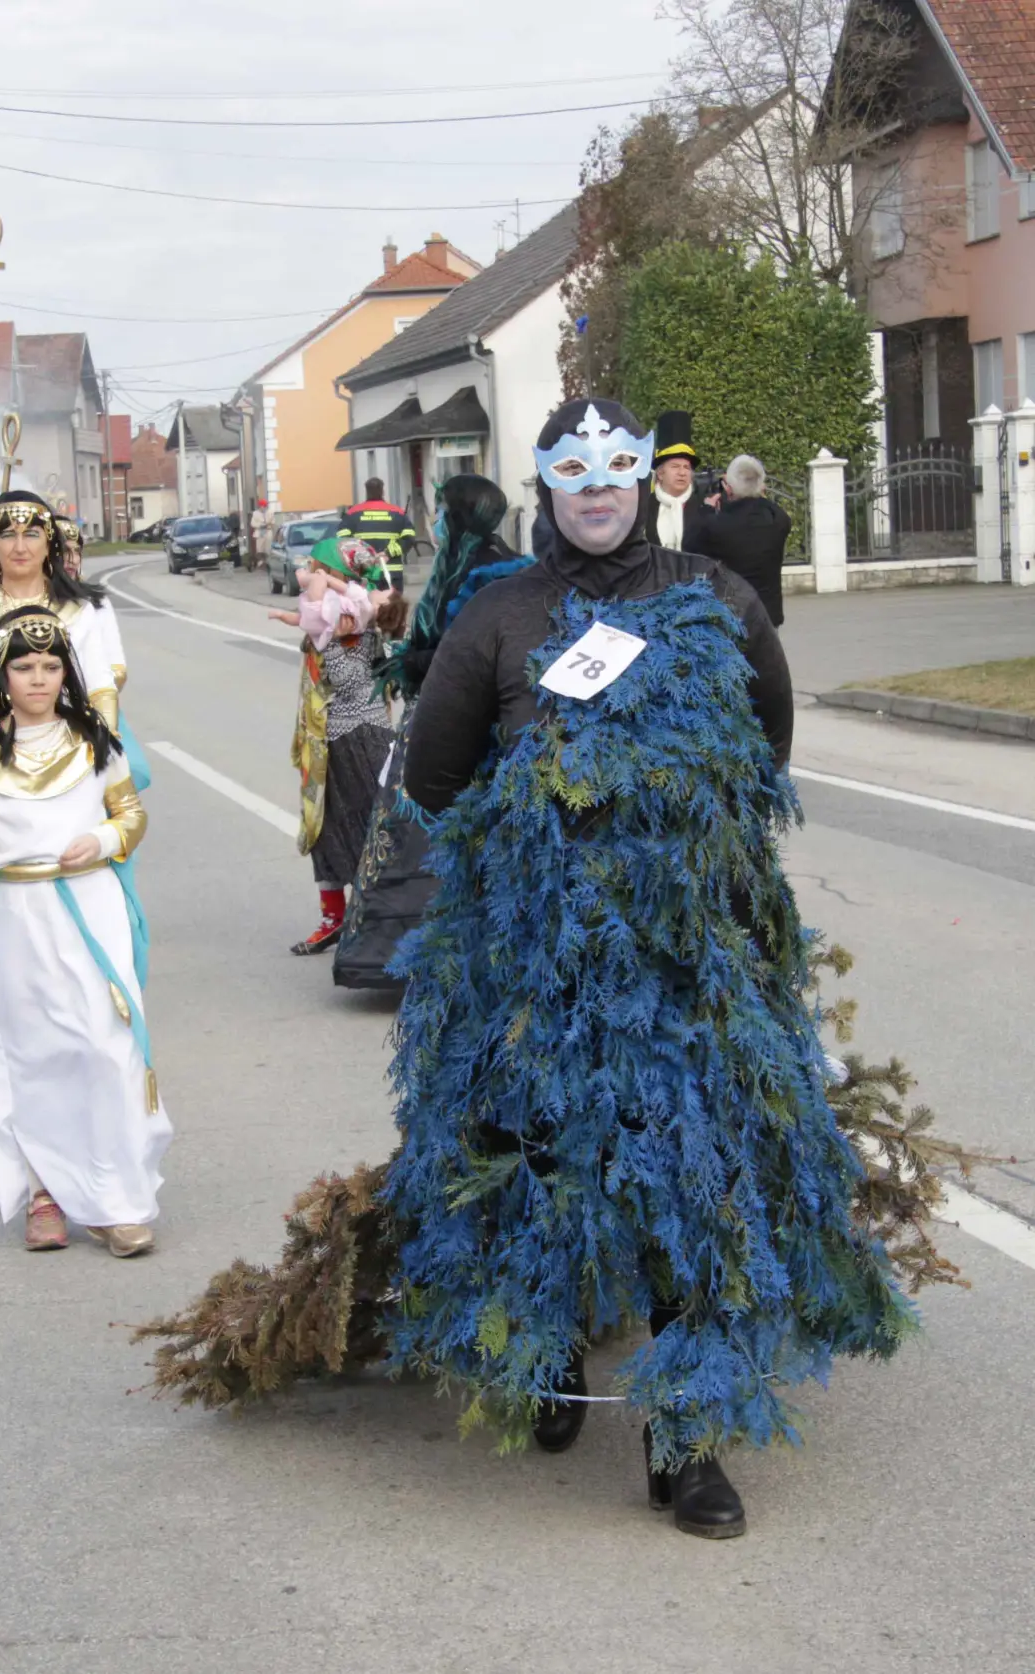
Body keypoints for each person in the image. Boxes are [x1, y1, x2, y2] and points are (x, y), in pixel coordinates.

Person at [384, 397, 910, 1536]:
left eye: (616, 469)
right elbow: (433, 776)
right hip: (539, 961)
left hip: (693, 958)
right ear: (547, 484)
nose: (597, 488)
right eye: (574, 471)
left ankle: (688, 1440)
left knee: (694, 1177)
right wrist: (540, 844)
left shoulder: (713, 599)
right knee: (544, 1158)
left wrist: (675, 851)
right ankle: (555, 1348)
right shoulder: (500, 617)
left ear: (647, 482)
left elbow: (766, 751)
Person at [0, 604, 170, 1257]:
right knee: (31, 1055)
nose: (38, 678)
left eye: (50, 666)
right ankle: (44, 1194)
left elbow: (130, 817)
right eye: (23, 666)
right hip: (12, 917)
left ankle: (115, 1199)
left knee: (105, 1047)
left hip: (87, 905)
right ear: (2, 673)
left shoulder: (96, 740)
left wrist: (101, 840)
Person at [332, 474, 523, 989]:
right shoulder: (463, 564)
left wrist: (412, 661)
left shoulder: (488, 572)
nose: (433, 521)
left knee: (433, 829)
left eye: (440, 511)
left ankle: (431, 955)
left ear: (459, 516)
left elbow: (467, 654)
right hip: (439, 712)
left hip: (463, 724)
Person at [279, 537, 401, 956]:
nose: (310, 571)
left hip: (360, 740)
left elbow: (351, 683)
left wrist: (328, 640)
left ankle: (377, 918)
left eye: (318, 567)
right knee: (324, 829)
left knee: (371, 833)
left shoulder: (350, 627)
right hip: (327, 741)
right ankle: (333, 918)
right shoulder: (338, 622)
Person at [0, 491, 123, 732]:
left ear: (49, 545)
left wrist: (107, 742)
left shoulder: (77, 609)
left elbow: (100, 687)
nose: (19, 547)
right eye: (7, 535)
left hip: (70, 745)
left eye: (31, 535)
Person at [690, 454, 792, 627]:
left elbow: (691, 544)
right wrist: (755, 490)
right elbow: (771, 507)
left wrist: (706, 509)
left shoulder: (716, 526)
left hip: (732, 616)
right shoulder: (779, 520)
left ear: (728, 488)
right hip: (768, 615)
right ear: (762, 488)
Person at [643, 409, 714, 553]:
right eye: (675, 467)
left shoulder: (703, 506)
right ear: (661, 473)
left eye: (686, 467)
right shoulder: (644, 507)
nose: (682, 473)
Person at [338, 477, 417, 593]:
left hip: (364, 573)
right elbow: (409, 539)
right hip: (391, 572)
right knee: (393, 609)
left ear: (366, 491)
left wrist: (364, 556)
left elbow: (342, 541)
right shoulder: (397, 513)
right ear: (383, 491)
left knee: (367, 609)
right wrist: (387, 554)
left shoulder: (352, 514)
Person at [249, 499, 272, 567]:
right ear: (259, 506)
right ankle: (260, 561)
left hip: (268, 531)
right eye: (262, 506)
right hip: (259, 532)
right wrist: (260, 525)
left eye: (265, 506)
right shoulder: (255, 513)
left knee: (268, 547)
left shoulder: (270, 512)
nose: (263, 507)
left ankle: (267, 561)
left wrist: (268, 524)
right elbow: (252, 523)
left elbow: (272, 522)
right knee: (259, 548)